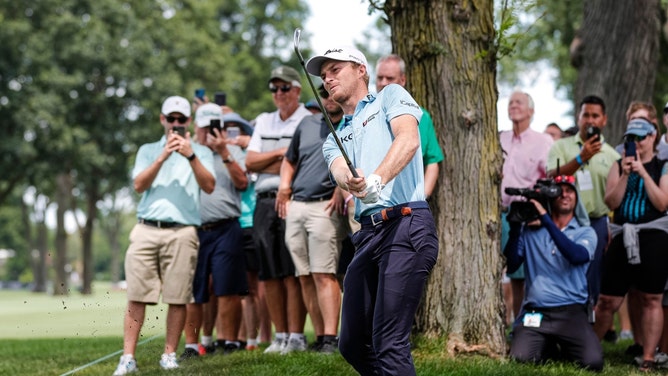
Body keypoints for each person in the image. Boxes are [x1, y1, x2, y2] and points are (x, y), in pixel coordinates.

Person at [306, 46, 439, 375]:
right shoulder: (334, 137)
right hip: (367, 235)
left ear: (361, 69)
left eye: (335, 69)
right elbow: (339, 169)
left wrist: (378, 178)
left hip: (406, 224)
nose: (327, 78)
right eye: (324, 75)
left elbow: (408, 140)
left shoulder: (390, 96)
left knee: (388, 341)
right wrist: (352, 182)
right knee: (351, 343)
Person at [113, 96, 215, 375]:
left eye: (181, 120)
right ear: (162, 120)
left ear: (188, 122)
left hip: (182, 231)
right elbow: (138, 184)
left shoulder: (200, 151)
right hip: (146, 228)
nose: (176, 124)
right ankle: (128, 358)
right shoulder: (148, 150)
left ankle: (169, 354)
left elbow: (209, 186)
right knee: (136, 296)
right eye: (171, 119)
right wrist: (164, 155)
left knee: (177, 297)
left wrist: (190, 155)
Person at [276, 84, 348, 354]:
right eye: (323, 93)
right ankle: (320, 337)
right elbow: (289, 160)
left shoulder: (351, 125)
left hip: (323, 208)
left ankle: (331, 337)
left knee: (323, 273)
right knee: (304, 275)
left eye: (330, 93)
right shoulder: (307, 123)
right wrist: (284, 185)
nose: (327, 98)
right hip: (296, 206)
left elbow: (354, 160)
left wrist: (341, 188)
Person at [504, 175, 603, 371]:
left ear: (577, 198)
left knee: (592, 362)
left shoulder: (585, 232)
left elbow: (576, 255)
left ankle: (561, 343)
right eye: (559, 191)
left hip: (571, 312)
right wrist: (516, 229)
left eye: (570, 191)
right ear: (550, 198)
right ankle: (548, 344)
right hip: (536, 312)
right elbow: (512, 265)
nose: (565, 195)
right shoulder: (531, 231)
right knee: (521, 358)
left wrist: (546, 220)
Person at [245, 66, 312, 353]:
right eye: (275, 89)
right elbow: (249, 162)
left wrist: (277, 162)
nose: (279, 94)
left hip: (294, 198)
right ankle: (280, 335)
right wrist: (282, 155)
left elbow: (304, 164)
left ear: (297, 90)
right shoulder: (263, 120)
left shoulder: (308, 121)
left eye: (285, 88)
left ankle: (296, 336)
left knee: (291, 270)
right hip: (263, 202)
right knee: (270, 272)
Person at [593, 117, 668, 372]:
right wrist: (626, 174)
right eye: (631, 138)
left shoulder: (663, 166)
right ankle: (590, 349)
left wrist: (643, 173)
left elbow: (662, 203)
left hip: (653, 236)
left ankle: (648, 356)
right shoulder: (617, 165)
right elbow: (611, 202)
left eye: (641, 137)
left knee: (651, 297)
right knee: (606, 300)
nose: (636, 142)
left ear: (653, 137)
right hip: (622, 234)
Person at [179, 103, 249, 360]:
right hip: (194, 228)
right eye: (204, 127)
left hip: (226, 226)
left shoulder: (231, 150)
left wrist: (224, 152)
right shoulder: (188, 152)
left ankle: (229, 341)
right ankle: (192, 344)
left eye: (213, 127)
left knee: (227, 288)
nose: (208, 133)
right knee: (194, 290)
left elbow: (242, 183)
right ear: (196, 128)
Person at [546, 95, 619, 312]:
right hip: (564, 220)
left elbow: (616, 196)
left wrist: (610, 226)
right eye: (585, 114)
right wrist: (580, 158)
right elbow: (552, 176)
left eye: (595, 115)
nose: (590, 120)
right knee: (559, 268)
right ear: (578, 117)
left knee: (591, 274)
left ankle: (584, 322)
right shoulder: (561, 146)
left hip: (597, 222)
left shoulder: (613, 155)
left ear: (604, 120)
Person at [500, 91, 553, 323]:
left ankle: (523, 325)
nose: (513, 106)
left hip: (525, 216)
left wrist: (539, 211)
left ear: (531, 111)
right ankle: (505, 324)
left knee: (522, 274)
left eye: (519, 102)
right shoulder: (500, 138)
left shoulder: (543, 142)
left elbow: (549, 179)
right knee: (501, 272)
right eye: (510, 102)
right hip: (499, 213)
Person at [375, 54, 444, 200]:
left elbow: (432, 161)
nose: (383, 83)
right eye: (380, 78)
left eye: (390, 78)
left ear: (403, 80)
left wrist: (422, 197)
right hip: (370, 204)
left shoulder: (421, 116)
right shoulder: (362, 114)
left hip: (408, 205)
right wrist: (350, 200)